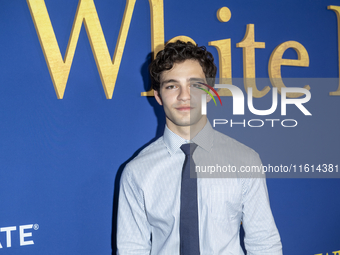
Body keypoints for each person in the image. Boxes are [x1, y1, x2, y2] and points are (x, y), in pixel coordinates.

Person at [117, 40, 282, 254]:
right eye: (172, 85)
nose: (184, 95)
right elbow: (132, 248)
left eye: (195, 85)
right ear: (158, 96)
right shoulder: (136, 172)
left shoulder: (245, 160)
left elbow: (263, 242)